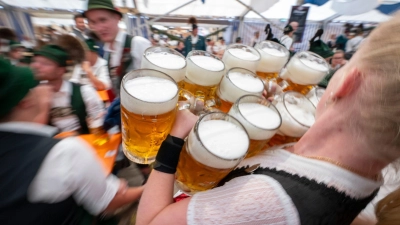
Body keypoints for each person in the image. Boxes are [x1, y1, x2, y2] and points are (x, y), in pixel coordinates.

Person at [136, 15, 400, 225]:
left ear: (349, 82)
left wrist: (172, 141)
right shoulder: (370, 175)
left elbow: (149, 222)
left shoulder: (266, 199)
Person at [0, 58, 144, 225]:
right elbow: (109, 202)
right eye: (33, 86)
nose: (41, 87)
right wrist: (147, 189)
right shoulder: (65, 152)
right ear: (24, 101)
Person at [31, 45, 104, 134]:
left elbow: (99, 120)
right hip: (52, 143)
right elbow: (33, 131)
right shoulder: (33, 94)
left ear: (60, 70)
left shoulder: (85, 91)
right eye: (35, 62)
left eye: (46, 63)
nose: (36, 66)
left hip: (83, 141)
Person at [84, 0, 152, 94]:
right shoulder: (107, 51)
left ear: (117, 17)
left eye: (103, 20)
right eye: (93, 22)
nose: (99, 28)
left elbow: (156, 83)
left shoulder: (137, 43)